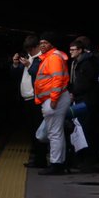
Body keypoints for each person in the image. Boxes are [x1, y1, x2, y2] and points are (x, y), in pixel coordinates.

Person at [34, 31, 73, 175]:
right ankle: (58, 163)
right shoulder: (50, 57)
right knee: (52, 133)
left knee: (54, 133)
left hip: (53, 100)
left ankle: (56, 164)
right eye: (41, 42)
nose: (42, 45)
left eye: (45, 42)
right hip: (52, 100)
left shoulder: (53, 58)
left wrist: (54, 100)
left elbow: (57, 80)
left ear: (52, 44)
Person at [67, 35, 99, 172]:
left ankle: (86, 160)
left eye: (73, 49)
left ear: (81, 50)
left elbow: (83, 84)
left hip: (85, 101)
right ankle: (85, 159)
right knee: (83, 128)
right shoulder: (82, 62)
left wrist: (73, 93)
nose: (70, 52)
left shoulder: (86, 63)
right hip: (85, 100)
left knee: (85, 129)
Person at [12, 34, 47, 168]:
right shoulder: (29, 57)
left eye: (31, 49)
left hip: (36, 99)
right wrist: (16, 64)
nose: (29, 52)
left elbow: (38, 75)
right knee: (32, 130)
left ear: (36, 47)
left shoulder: (41, 59)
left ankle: (41, 159)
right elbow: (16, 75)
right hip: (26, 98)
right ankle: (37, 157)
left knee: (39, 130)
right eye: (27, 50)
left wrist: (28, 66)